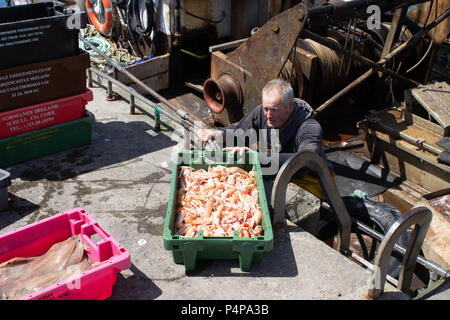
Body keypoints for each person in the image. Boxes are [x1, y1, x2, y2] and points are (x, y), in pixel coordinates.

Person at [197, 78, 333, 202]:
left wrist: (258, 158)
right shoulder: (262, 113)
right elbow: (241, 129)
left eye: (274, 110)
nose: (268, 115)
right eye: (266, 109)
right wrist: (221, 134)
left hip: (310, 180)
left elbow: (308, 158)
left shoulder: (309, 127)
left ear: (290, 107)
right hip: (276, 171)